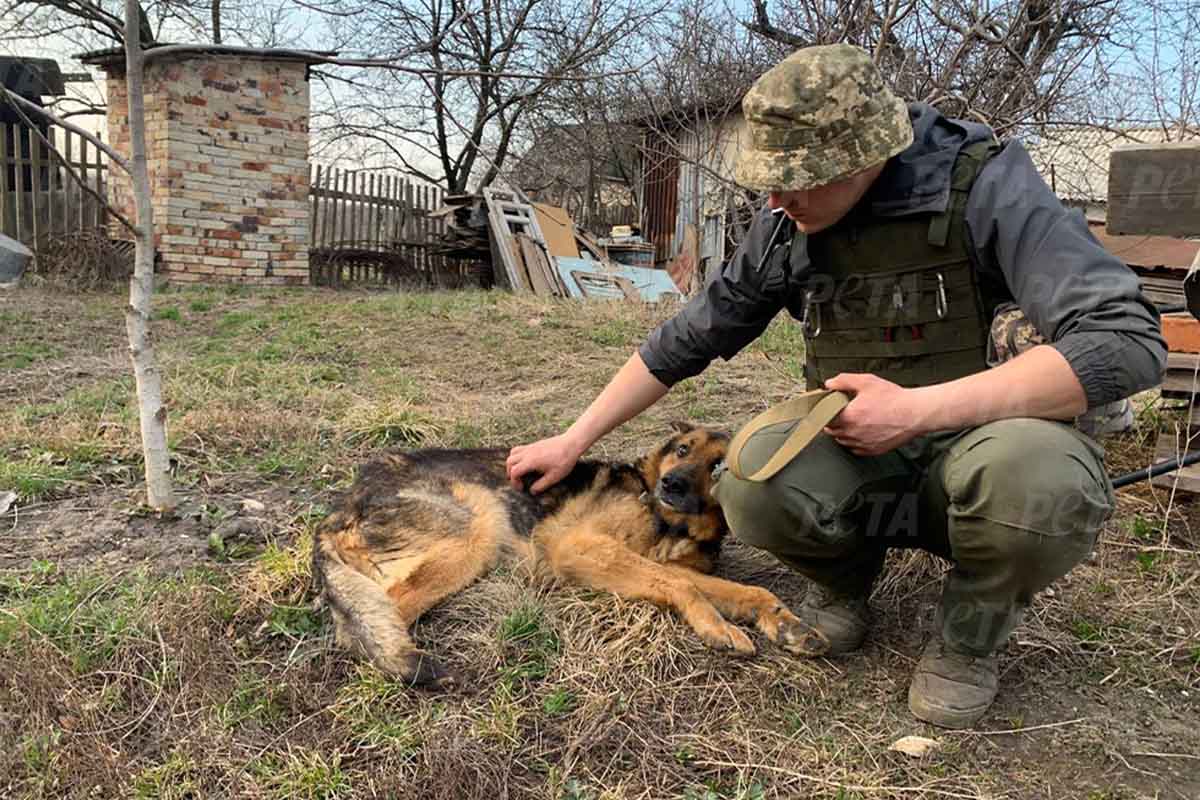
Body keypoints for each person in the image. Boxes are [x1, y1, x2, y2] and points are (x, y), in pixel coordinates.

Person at [505, 44, 1166, 729]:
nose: (774, 198)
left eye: (796, 179)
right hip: (864, 461)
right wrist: (575, 437)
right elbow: (688, 337)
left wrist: (917, 410)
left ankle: (972, 632)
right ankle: (842, 585)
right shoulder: (788, 221)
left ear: (861, 157)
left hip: (982, 456)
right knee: (750, 475)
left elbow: (1125, 340)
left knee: (1039, 479)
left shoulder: (984, 184)